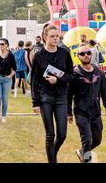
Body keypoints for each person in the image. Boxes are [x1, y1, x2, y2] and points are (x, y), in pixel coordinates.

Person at [31, 24, 73, 163]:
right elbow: (35, 80)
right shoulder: (39, 56)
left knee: (62, 134)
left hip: (61, 97)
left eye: (57, 36)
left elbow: (70, 75)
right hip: (45, 98)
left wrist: (58, 79)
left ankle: (52, 154)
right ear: (44, 37)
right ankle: (52, 161)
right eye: (52, 36)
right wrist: (35, 102)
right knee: (50, 134)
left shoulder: (64, 53)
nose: (55, 39)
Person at [68, 44, 106, 163]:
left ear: (91, 55)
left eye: (88, 53)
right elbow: (68, 95)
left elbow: (105, 91)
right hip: (81, 112)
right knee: (87, 140)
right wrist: (69, 113)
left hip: (96, 112)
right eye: (82, 54)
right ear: (78, 56)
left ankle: (82, 152)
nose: (86, 55)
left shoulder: (99, 73)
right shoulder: (74, 74)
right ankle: (87, 160)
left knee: (97, 140)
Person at [0, 38, 16, 123]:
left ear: (6, 45)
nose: (0, 46)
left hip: (6, 80)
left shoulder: (10, 55)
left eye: (2, 44)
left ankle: (4, 116)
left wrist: (10, 76)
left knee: (5, 98)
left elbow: (14, 68)